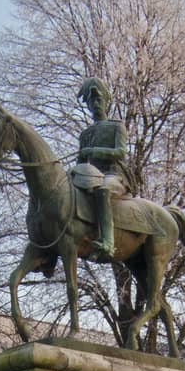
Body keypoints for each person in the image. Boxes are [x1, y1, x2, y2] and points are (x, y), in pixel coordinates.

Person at [71, 77, 128, 259]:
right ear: (87, 105)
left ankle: (107, 243)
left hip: (114, 176)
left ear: (106, 102)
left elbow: (120, 152)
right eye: (91, 101)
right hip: (91, 178)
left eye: (98, 100)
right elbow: (80, 163)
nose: (95, 104)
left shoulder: (116, 126)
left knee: (102, 190)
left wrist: (94, 151)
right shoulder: (85, 134)